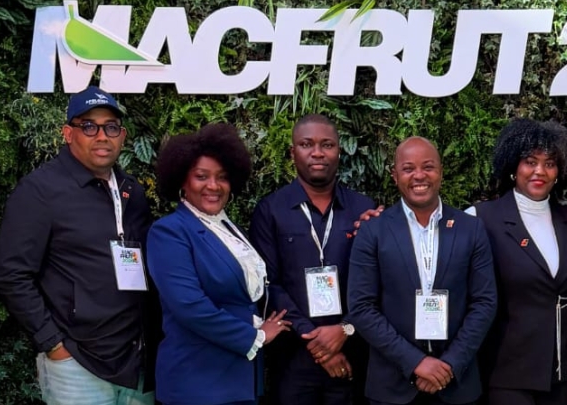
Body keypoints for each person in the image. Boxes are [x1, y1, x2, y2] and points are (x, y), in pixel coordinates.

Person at [0, 86, 157, 405]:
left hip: (136, 364)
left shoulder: (131, 192)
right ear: (68, 134)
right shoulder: (40, 191)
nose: (102, 136)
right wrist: (52, 343)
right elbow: (10, 274)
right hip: (78, 366)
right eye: (89, 126)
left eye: (111, 127)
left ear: (122, 136)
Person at [147, 123, 292, 405]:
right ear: (182, 181)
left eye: (222, 177)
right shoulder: (169, 231)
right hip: (198, 380)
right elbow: (190, 306)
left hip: (240, 378)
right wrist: (255, 336)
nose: (213, 186)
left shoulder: (228, 228)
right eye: (201, 176)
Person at [347, 136, 497, 405]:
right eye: (408, 169)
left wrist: (450, 363)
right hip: (392, 386)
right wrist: (415, 362)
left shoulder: (470, 229)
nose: (419, 175)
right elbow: (361, 307)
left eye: (428, 167)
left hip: (456, 383)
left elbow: (484, 302)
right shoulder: (373, 231)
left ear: (441, 172)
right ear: (395, 176)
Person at [250, 114, 378, 405]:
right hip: (293, 358)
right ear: (292, 152)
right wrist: (316, 342)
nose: (317, 152)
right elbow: (269, 285)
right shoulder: (270, 210)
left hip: (352, 353)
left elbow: (374, 282)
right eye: (307, 144)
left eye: (327, 145)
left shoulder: (363, 208)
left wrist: (344, 330)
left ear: (339, 151)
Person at [466, 119, 567, 405]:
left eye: (550, 163)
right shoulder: (480, 219)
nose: (540, 171)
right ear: (513, 167)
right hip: (507, 375)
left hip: (561, 376)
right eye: (530, 162)